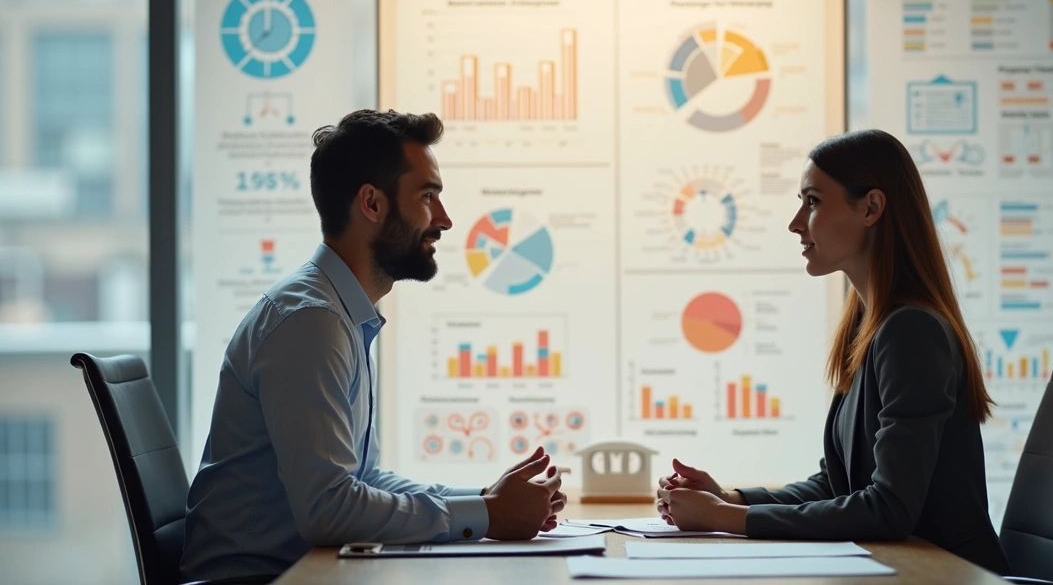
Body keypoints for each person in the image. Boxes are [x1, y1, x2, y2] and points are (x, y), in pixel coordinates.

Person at [181, 110, 567, 582]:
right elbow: (329, 510)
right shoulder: (311, 323)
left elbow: (362, 483)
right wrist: (486, 516)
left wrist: (485, 500)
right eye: (428, 197)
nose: (444, 220)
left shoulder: (342, 313)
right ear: (371, 203)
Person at [655, 129, 1011, 575]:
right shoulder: (870, 326)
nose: (796, 223)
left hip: (942, 576)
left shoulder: (912, 330)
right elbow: (837, 483)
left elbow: (889, 508)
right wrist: (730, 498)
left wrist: (726, 519)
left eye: (813, 202)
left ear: (871, 208)